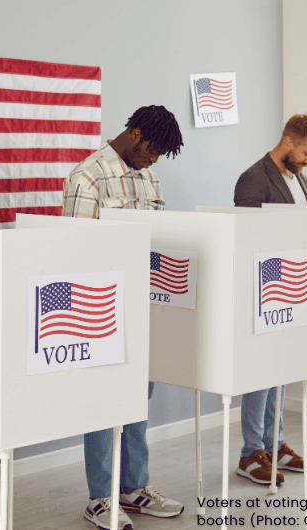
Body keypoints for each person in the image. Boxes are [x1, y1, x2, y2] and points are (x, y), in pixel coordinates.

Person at [62, 105, 185, 530]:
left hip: (145, 304)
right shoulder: (87, 177)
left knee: (136, 401)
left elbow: (159, 239)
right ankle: (100, 497)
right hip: (102, 311)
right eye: (152, 150)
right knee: (102, 403)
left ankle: (133, 489)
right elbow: (74, 253)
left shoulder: (149, 177)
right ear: (133, 134)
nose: (155, 160)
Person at [233, 114, 307, 485]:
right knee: (260, 372)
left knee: (281, 372)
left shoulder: (299, 178)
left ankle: (275, 444)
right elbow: (248, 241)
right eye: (306, 152)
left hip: (293, 293)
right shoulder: (254, 178)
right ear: (289, 141)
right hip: (264, 295)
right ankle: (249, 453)